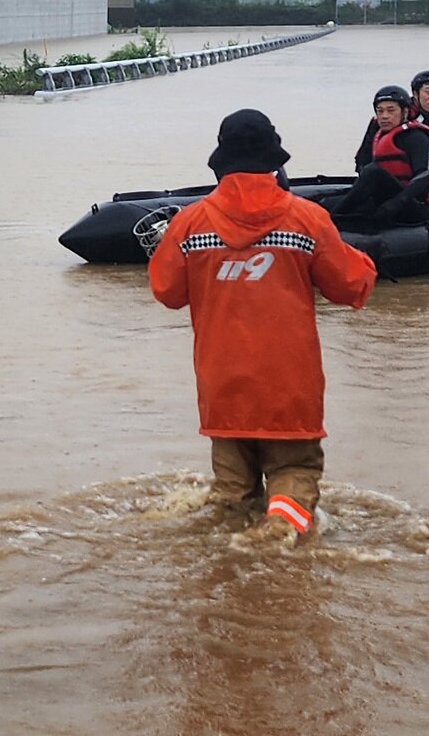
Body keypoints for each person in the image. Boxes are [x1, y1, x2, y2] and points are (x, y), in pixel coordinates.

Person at [149, 109, 376, 543]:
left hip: (222, 389)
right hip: (290, 389)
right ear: (273, 158)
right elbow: (349, 285)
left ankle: (234, 559)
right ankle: (277, 545)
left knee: (233, 497)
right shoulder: (307, 219)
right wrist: (366, 258)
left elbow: (167, 291)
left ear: (222, 159)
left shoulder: (189, 224)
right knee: (294, 472)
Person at [333, 85, 429, 224]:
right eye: (380, 111)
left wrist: (395, 203)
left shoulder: (417, 137)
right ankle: (333, 219)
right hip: (387, 198)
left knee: (373, 171)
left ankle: (332, 220)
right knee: (330, 201)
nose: (384, 116)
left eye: (391, 110)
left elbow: (423, 177)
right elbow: (362, 163)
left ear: (404, 112)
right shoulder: (379, 135)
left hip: (414, 205)